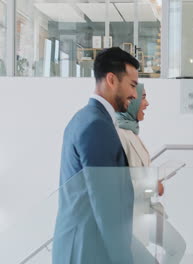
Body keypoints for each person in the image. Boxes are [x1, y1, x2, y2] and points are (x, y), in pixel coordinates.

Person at [52, 47, 139, 264]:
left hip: (81, 246)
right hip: (89, 250)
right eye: (132, 85)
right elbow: (106, 205)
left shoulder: (84, 118)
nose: (135, 95)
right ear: (111, 80)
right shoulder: (96, 125)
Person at [117, 83, 186, 264]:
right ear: (131, 101)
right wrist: (153, 184)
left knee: (177, 246)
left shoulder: (131, 132)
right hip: (132, 217)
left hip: (145, 210)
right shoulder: (119, 135)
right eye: (143, 97)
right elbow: (121, 184)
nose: (147, 103)